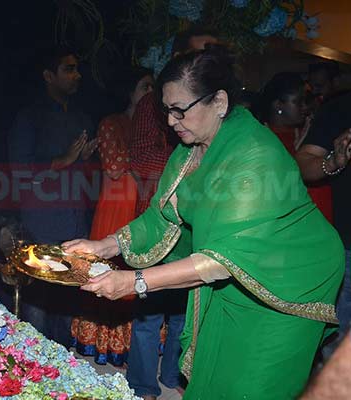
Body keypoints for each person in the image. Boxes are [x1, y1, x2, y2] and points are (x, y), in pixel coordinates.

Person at [64, 46, 344, 399]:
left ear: (220, 102)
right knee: (214, 369)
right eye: (167, 111)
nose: (171, 122)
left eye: (179, 110)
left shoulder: (255, 154)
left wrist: (134, 282)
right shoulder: (190, 149)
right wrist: (103, 245)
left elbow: (221, 261)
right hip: (235, 273)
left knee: (251, 385)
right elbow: (161, 216)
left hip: (290, 282)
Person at [125, 27, 218, 400]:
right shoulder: (156, 107)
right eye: (199, 51)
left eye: (211, 51)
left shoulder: (224, 126)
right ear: (178, 57)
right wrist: (181, 169)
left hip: (194, 232)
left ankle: (172, 375)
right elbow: (140, 158)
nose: (171, 121)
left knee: (184, 310)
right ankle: (143, 385)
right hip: (158, 221)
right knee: (149, 313)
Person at [7, 46, 97, 347]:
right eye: (68, 69)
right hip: (42, 225)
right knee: (39, 304)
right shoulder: (29, 117)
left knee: (69, 302)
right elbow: (19, 171)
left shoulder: (81, 117)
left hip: (74, 222)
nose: (77, 75)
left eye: (77, 68)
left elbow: (83, 175)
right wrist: (63, 160)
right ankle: (37, 366)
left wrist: (85, 159)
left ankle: (65, 364)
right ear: (48, 75)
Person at [71, 68, 153, 366]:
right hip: (116, 207)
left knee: (138, 270)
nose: (150, 93)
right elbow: (116, 167)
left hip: (142, 208)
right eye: (144, 86)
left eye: (153, 87)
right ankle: (101, 345)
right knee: (108, 268)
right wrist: (149, 160)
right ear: (130, 92)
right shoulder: (112, 123)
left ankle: (130, 349)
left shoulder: (157, 129)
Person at [296, 92, 351, 359]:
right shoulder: (341, 108)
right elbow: (304, 163)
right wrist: (334, 161)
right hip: (347, 249)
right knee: (337, 347)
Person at [258, 72, 333, 222]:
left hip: (318, 218)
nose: (304, 107)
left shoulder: (311, 134)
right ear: (278, 105)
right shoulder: (261, 137)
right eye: (298, 102)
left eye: (305, 101)